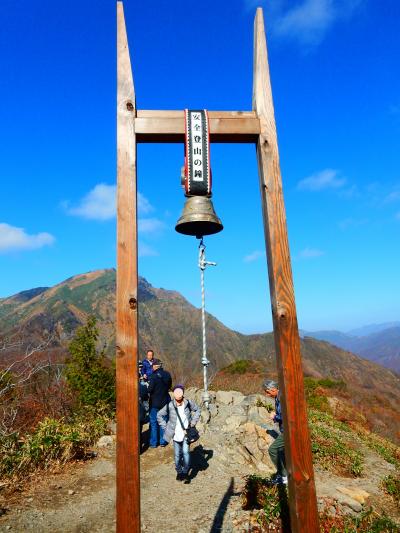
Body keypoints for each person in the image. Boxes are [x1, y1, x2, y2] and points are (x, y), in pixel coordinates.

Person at [157, 385, 200, 481]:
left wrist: (193, 423)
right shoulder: (170, 405)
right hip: (175, 435)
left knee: (185, 452)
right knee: (177, 456)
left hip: (186, 434)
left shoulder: (188, 403)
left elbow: (198, 410)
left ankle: (185, 472)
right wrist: (165, 427)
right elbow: (159, 415)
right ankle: (179, 471)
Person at [263, 379, 288, 485]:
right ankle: (282, 473)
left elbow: (285, 415)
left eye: (267, 392)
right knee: (281, 451)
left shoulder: (281, 398)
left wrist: (275, 416)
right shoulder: (279, 396)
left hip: (288, 432)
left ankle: (284, 476)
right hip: (286, 430)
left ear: (273, 389)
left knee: (272, 450)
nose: (266, 394)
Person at [147, 359, 172, 448]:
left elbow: (149, 390)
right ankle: (163, 441)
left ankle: (154, 442)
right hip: (165, 402)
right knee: (163, 422)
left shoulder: (153, 377)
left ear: (155, 366)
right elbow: (169, 387)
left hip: (154, 403)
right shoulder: (167, 375)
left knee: (153, 422)